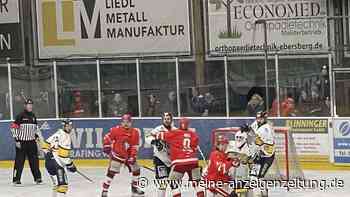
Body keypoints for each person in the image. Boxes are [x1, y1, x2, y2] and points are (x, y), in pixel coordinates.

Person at [155, 117, 204, 197]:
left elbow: (158, 136)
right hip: (193, 161)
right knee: (197, 183)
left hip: (179, 162)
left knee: (173, 183)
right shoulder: (193, 134)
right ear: (188, 125)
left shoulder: (174, 132)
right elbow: (195, 147)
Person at [101, 114, 144, 197]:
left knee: (137, 170)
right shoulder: (115, 130)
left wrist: (133, 156)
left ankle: (134, 188)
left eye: (128, 122)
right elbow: (107, 137)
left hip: (128, 157)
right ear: (121, 122)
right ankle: (104, 190)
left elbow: (134, 146)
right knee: (111, 172)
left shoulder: (135, 132)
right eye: (124, 122)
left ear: (131, 122)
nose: (126, 124)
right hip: (117, 155)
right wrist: (106, 145)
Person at [10, 99, 42, 185]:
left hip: (32, 143)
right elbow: (13, 128)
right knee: (19, 162)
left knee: (34, 161)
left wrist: (37, 139)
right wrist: (16, 140)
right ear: (25, 106)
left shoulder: (33, 116)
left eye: (31, 104)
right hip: (22, 143)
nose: (30, 106)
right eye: (28, 104)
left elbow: (35, 129)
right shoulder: (20, 116)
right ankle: (16, 179)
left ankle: (37, 178)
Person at [41, 119, 77, 196]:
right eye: (67, 126)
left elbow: (45, 145)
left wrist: (49, 155)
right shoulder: (66, 137)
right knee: (62, 186)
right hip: (57, 164)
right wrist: (71, 165)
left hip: (48, 162)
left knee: (56, 185)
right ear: (64, 126)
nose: (69, 128)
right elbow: (63, 156)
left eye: (70, 126)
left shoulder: (57, 133)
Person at [145, 112, 176, 197]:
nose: (166, 120)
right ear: (162, 120)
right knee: (162, 183)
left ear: (171, 120)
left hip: (172, 161)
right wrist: (154, 141)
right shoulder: (158, 129)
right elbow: (147, 137)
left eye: (168, 119)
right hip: (160, 159)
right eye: (165, 119)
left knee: (174, 183)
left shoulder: (175, 130)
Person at [249, 111, 275, 197]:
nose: (258, 120)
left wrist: (249, 132)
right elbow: (251, 130)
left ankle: (264, 193)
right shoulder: (256, 124)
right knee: (253, 176)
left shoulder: (267, 129)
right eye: (257, 118)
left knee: (260, 177)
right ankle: (257, 194)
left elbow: (257, 140)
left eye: (260, 118)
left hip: (268, 156)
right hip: (259, 154)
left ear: (265, 119)